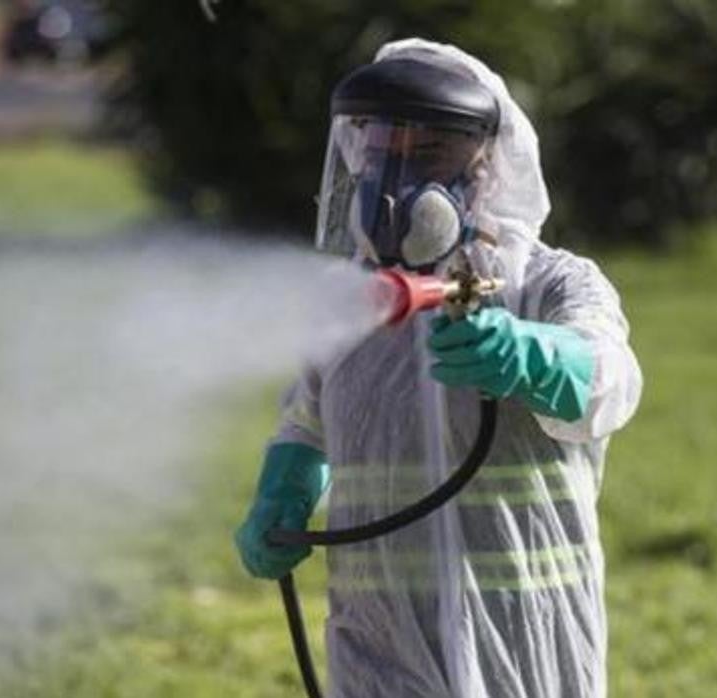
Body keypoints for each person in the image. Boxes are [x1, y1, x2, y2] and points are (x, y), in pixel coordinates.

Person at [233, 38, 642, 698]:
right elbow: (308, 422)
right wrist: (284, 489)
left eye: (427, 153)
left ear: (487, 166)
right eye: (380, 153)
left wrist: (530, 357)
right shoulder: (348, 306)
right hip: (380, 643)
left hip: (525, 641)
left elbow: (611, 380)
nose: (394, 183)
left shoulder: (550, 285)